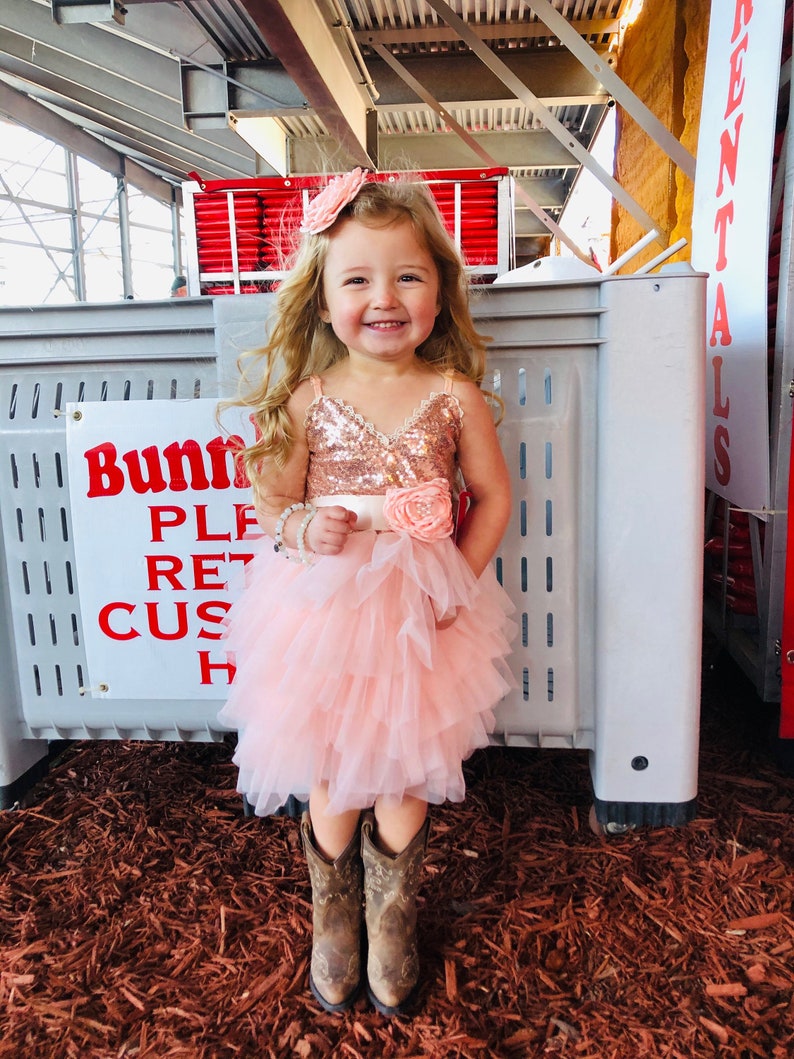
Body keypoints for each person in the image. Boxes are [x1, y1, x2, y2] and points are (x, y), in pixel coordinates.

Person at [217, 169, 515, 1016]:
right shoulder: (309, 399)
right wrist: (301, 528)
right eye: (357, 279)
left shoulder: (455, 396)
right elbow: (272, 502)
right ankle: (333, 914)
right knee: (333, 766)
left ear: (439, 290)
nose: (385, 297)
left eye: (408, 275)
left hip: (425, 608)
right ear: (320, 300)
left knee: (407, 759)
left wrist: (458, 578)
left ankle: (393, 915)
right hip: (326, 614)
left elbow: (492, 498)